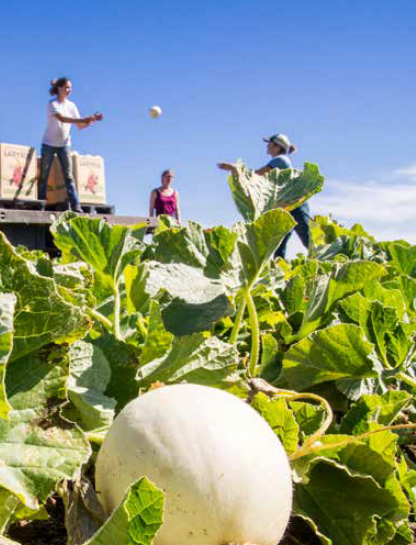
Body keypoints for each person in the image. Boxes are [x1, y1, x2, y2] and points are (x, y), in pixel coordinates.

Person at [217, 133, 310, 259]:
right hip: (286, 207)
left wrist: (236, 169)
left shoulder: (280, 160)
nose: (267, 147)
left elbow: (257, 175)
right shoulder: (279, 160)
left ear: (276, 146)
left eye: (269, 144)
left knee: (308, 240)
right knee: (279, 245)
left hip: (295, 206)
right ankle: (280, 273)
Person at [38, 77, 103, 212]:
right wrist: (83, 119)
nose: (69, 90)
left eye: (70, 88)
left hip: (64, 144)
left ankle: (76, 206)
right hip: (48, 143)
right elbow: (62, 118)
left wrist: (91, 120)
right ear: (59, 88)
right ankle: (41, 205)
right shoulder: (52, 104)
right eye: (67, 87)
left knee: (68, 176)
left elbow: (79, 125)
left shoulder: (71, 105)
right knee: (44, 174)